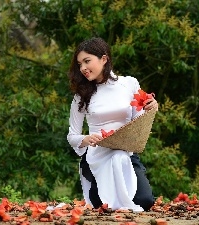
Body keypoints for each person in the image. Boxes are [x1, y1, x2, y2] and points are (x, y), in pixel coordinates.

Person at [67, 37, 158, 212]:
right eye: (80, 64)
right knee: (104, 206)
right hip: (97, 156)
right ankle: (97, 188)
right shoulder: (81, 95)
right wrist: (86, 138)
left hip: (125, 154)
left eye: (87, 61)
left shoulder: (128, 83)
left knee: (145, 201)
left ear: (104, 58)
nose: (83, 68)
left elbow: (138, 121)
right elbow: (72, 136)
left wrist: (151, 106)